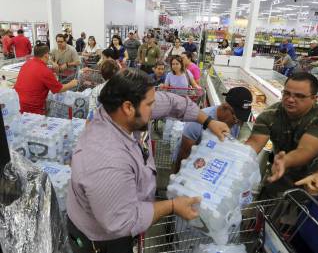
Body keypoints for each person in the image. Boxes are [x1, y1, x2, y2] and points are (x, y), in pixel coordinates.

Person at [66, 69, 230, 253]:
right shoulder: (105, 160)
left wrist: (208, 121)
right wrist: (173, 206)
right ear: (128, 107)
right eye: (150, 104)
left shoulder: (124, 111)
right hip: (103, 239)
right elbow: (122, 222)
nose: (155, 107)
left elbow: (172, 103)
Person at [245, 72, 318, 199]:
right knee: (267, 208)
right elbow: (254, 144)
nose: (290, 99)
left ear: (314, 98)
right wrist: (235, 157)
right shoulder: (270, 114)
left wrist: (285, 161)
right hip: (282, 172)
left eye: (299, 96)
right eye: (287, 93)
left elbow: (306, 150)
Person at [174, 87, 253, 173]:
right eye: (236, 119)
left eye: (241, 121)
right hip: (189, 163)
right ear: (225, 107)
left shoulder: (235, 124)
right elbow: (184, 153)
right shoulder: (197, 121)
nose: (237, 124)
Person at [14, 42, 78, 115]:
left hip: (18, 103)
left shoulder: (27, 63)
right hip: (33, 108)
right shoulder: (44, 70)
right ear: (46, 55)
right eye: (49, 54)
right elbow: (59, 89)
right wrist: (72, 84)